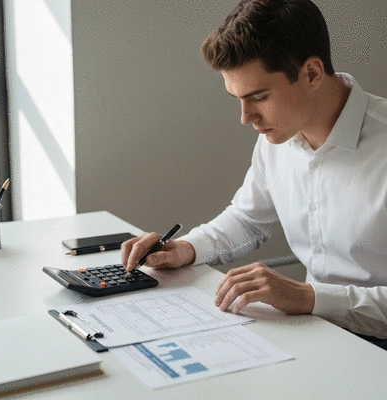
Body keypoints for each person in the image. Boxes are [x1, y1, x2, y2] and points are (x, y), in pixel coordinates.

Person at [121, 0, 387, 348]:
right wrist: (184, 250)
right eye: (238, 98)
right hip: (319, 334)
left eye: (259, 97)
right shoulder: (280, 137)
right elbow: (248, 220)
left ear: (311, 73)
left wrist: (309, 297)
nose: (246, 117)